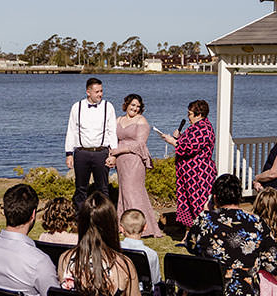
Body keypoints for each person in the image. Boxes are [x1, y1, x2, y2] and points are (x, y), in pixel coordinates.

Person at [184, 174, 277, 296]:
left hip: (206, 293)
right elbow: (274, 262)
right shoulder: (256, 224)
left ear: (215, 197)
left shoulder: (203, 220)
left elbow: (191, 247)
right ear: (239, 197)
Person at [159, 99, 216, 230]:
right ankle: (188, 234)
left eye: (190, 114)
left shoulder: (204, 129)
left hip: (198, 175)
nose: (188, 116)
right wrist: (179, 137)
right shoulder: (194, 127)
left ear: (199, 114)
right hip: (187, 174)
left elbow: (189, 147)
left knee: (198, 204)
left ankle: (202, 232)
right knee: (187, 203)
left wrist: (173, 141)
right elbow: (186, 144)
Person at [64, 77, 118, 210]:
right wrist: (69, 154)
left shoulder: (108, 106)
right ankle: (80, 219)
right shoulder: (77, 107)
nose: (100, 94)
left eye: (101, 91)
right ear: (88, 92)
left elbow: (112, 132)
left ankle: (105, 218)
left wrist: (114, 154)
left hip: (101, 153)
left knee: (103, 189)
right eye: (97, 92)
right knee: (80, 188)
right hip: (81, 153)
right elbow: (71, 130)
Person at [111, 94, 160, 236]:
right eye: (133, 105)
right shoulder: (119, 120)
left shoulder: (142, 121)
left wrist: (118, 150)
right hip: (121, 161)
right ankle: (124, 225)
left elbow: (140, 144)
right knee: (124, 193)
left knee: (133, 192)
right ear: (126, 104)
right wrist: (112, 156)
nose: (135, 108)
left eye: (138, 106)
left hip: (134, 160)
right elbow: (112, 139)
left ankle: (142, 227)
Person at [119, 208, 160, 293]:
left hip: (120, 291)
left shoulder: (115, 248)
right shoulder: (151, 254)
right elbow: (156, 280)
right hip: (143, 294)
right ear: (145, 227)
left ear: (121, 228)